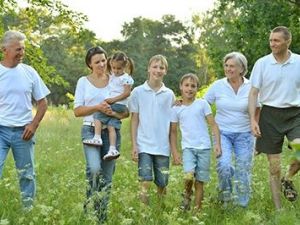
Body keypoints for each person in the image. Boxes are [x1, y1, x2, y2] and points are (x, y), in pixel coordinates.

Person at [74, 46, 128, 223]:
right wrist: (97, 107)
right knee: (94, 169)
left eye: (104, 60)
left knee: (107, 177)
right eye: (97, 62)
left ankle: (100, 217)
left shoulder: (115, 79)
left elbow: (126, 112)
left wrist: (113, 113)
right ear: (90, 64)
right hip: (90, 129)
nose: (101, 64)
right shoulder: (83, 81)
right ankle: (89, 201)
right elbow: (77, 111)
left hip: (111, 132)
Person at [249, 26, 300, 210]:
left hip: (295, 114)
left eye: (276, 40)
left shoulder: (299, 62)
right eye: (271, 40)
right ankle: (279, 210)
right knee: (274, 166)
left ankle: (288, 179)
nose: (272, 44)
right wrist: (253, 121)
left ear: (288, 41)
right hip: (269, 115)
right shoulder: (262, 63)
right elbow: (253, 93)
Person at [0, 30, 50, 210]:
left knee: (27, 174)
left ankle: (27, 212)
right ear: (4, 49)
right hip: (1, 130)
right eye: (17, 49)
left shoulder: (29, 72)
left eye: (23, 49)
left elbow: (43, 103)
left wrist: (33, 124)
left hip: (24, 132)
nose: (22, 53)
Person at [204, 52, 257, 207]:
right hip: (222, 134)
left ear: (242, 68)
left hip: (245, 134)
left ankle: (242, 205)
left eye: (232, 66)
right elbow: (203, 104)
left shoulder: (250, 87)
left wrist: (255, 130)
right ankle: (225, 200)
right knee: (225, 166)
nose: (228, 69)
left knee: (243, 169)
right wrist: (184, 102)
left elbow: (258, 109)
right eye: (226, 65)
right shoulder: (218, 85)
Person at [170, 73, 221, 211]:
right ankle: (187, 194)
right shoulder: (176, 108)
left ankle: (197, 210)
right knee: (188, 175)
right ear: (181, 87)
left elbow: (213, 125)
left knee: (200, 181)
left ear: (197, 89)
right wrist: (175, 152)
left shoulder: (202, 104)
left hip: (204, 148)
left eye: (193, 86)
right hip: (188, 148)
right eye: (186, 85)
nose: (190, 88)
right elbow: (173, 131)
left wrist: (217, 144)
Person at [129, 54, 175, 205]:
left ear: (166, 71)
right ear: (148, 69)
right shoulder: (137, 92)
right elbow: (134, 119)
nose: (158, 70)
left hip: (162, 146)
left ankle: (160, 212)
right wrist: (135, 145)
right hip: (144, 145)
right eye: (155, 67)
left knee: (162, 184)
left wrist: (174, 150)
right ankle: (144, 215)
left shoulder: (169, 94)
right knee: (145, 182)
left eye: (161, 67)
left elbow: (173, 123)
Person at [83, 51, 134, 161]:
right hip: (116, 105)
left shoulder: (126, 78)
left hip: (118, 104)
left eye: (118, 68)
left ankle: (97, 137)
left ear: (125, 66)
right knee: (112, 127)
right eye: (113, 68)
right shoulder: (113, 76)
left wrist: (112, 100)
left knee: (97, 113)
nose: (115, 70)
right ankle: (112, 149)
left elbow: (127, 93)